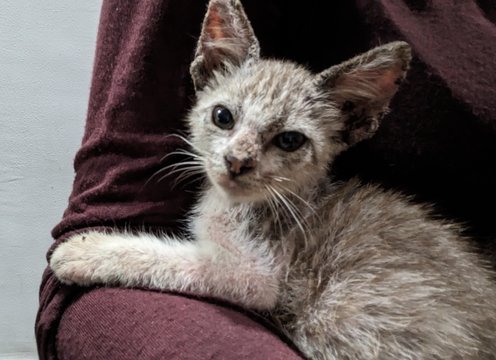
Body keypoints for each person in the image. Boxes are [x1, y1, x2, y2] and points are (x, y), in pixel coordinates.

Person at [36, 1, 496, 358]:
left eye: (289, 141)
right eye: (223, 117)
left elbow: (251, 282)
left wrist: (111, 254)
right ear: (208, 70)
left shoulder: (294, 213)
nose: (239, 156)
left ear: (351, 123)